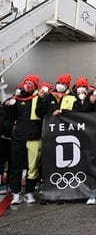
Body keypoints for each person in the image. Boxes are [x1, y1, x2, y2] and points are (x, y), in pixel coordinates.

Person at [6, 75, 43, 205]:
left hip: (34, 137)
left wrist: (43, 99)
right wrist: (9, 106)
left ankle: (29, 192)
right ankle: (16, 193)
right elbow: (10, 117)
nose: (27, 85)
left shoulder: (39, 97)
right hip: (19, 138)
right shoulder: (18, 98)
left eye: (30, 83)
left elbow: (42, 113)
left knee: (32, 168)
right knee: (16, 166)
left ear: (35, 85)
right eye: (26, 83)